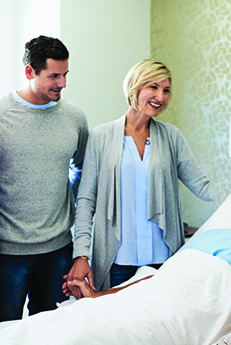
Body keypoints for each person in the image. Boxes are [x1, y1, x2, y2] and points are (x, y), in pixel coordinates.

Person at [65, 176, 231, 345]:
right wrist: (97, 297)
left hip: (186, 317)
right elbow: (161, 278)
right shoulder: (211, 234)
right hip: (152, 302)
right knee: (74, 329)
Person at [67, 59, 212, 295]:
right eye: (153, 87)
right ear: (135, 88)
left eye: (166, 90)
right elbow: (85, 201)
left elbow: (202, 186)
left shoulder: (171, 137)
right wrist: (81, 254)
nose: (161, 97)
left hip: (163, 258)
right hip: (117, 261)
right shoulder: (100, 137)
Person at [0, 35, 89, 321]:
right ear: (30, 72)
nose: (62, 83)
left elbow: (83, 170)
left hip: (59, 250)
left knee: (54, 333)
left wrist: (67, 208)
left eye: (65, 74)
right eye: (54, 76)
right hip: (7, 253)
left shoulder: (75, 118)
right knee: (4, 333)